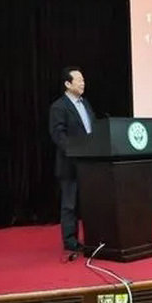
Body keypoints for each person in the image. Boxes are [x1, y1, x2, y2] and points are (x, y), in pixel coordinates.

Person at [49, 66, 96, 256]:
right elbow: (58, 135)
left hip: (89, 163)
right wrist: (75, 151)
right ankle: (70, 242)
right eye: (79, 80)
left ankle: (94, 238)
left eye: (83, 80)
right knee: (70, 205)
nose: (83, 83)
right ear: (68, 84)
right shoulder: (59, 107)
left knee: (90, 203)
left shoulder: (86, 103)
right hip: (69, 164)